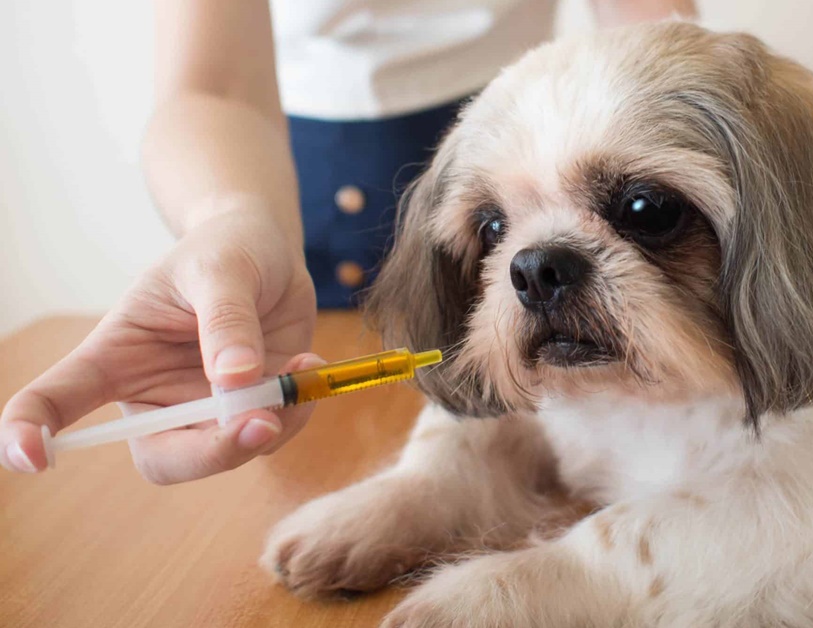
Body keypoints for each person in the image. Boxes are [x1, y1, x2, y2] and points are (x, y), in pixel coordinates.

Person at [0, 0, 696, 484]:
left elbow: (650, 25)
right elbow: (212, 86)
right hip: (291, 196)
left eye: (644, 211)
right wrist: (229, 220)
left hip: (531, 144)